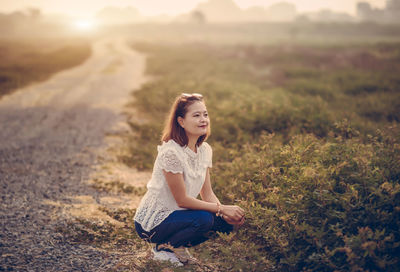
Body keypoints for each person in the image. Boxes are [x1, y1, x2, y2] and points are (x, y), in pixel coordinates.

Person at [133, 93, 245, 266]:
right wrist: (222, 208)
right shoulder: (171, 153)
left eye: (205, 114)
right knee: (204, 219)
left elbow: (207, 193)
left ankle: (177, 246)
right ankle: (163, 249)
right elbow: (182, 200)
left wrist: (223, 214)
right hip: (153, 221)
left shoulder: (205, 150)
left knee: (223, 223)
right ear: (181, 121)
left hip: (177, 215)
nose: (203, 120)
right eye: (196, 115)